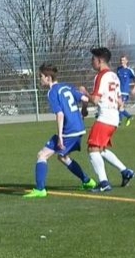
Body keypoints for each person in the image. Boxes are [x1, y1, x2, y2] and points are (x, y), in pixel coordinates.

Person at [23, 63, 97, 198]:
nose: (40, 79)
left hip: (69, 131)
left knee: (42, 155)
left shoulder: (52, 92)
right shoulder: (66, 87)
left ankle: (40, 189)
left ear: (48, 78)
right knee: (63, 157)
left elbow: (60, 114)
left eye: (41, 76)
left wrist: (60, 137)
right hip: (79, 129)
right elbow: (85, 99)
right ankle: (87, 181)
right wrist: (84, 110)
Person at [85, 47, 135, 192]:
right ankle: (125, 171)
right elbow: (120, 101)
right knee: (100, 149)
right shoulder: (114, 76)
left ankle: (104, 183)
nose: (92, 62)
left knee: (92, 149)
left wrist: (84, 93)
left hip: (105, 117)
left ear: (100, 60)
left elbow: (95, 100)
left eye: (93, 59)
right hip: (114, 117)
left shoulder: (101, 76)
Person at [116, 55, 135, 126]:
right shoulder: (118, 69)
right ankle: (125, 118)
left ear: (126, 61)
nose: (122, 61)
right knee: (119, 107)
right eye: (121, 60)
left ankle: (123, 119)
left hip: (125, 92)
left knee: (120, 106)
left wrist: (134, 88)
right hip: (118, 91)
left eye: (123, 60)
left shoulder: (129, 70)